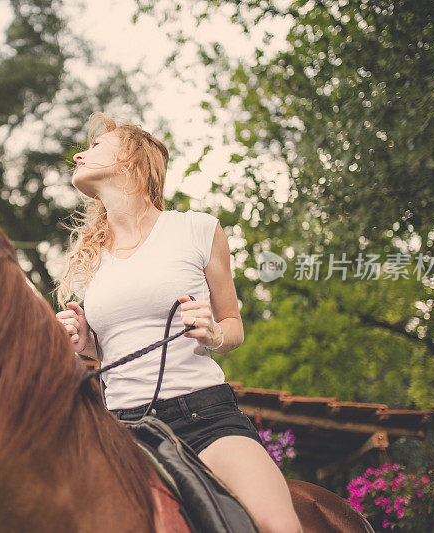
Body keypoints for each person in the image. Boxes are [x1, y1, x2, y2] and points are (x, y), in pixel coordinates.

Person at [55, 113, 302, 533]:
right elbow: (118, 344)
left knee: (280, 525)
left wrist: (216, 333)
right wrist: (85, 343)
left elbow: (232, 326)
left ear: (132, 159)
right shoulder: (88, 258)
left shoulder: (199, 230)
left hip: (205, 416)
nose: (79, 154)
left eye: (95, 148)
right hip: (121, 430)